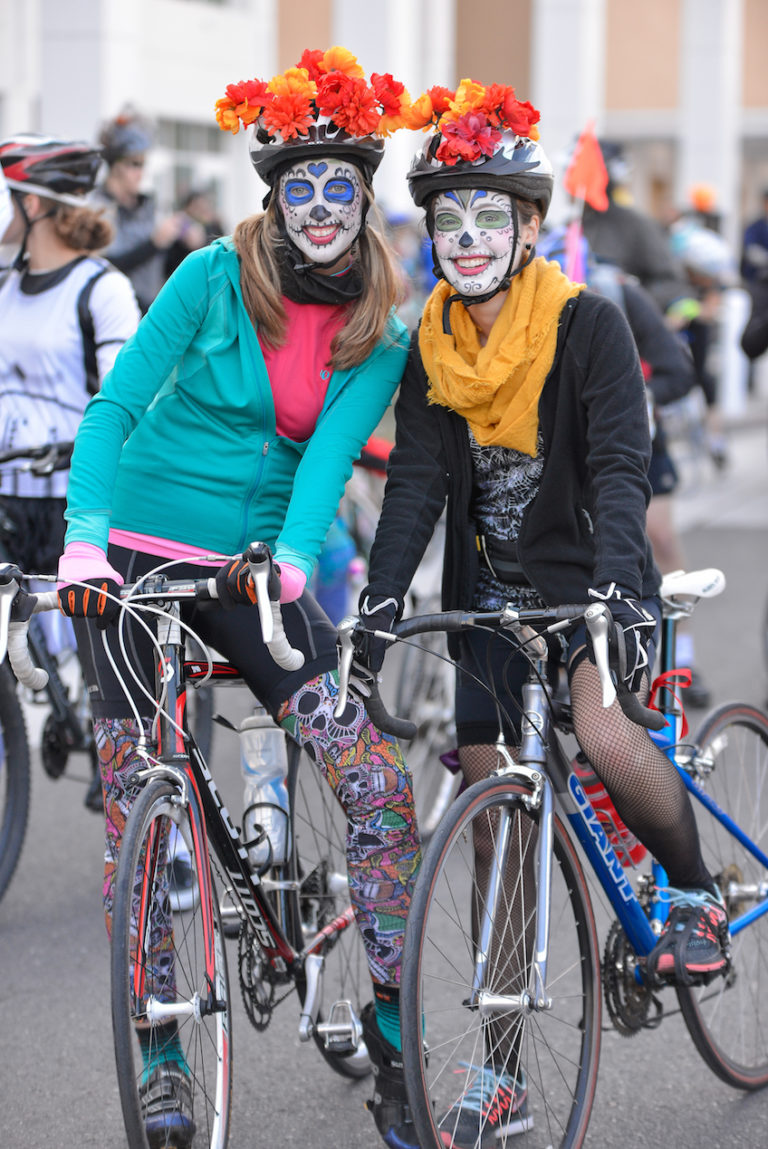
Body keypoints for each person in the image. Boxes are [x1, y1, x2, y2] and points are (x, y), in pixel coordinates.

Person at [353, 80, 731, 1147]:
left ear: (528, 227)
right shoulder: (433, 343)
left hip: (590, 586)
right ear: (428, 234)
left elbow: (623, 470)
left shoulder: (587, 325)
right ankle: (506, 1071)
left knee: (606, 729)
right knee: (493, 836)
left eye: (489, 219)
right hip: (487, 608)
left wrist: (616, 584)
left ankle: (694, 893)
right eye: (446, 221)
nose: (465, 239)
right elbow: (417, 490)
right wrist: (379, 615)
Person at [55, 47, 421, 1149]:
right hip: (126, 562)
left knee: (375, 783)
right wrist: (81, 546)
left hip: (255, 572)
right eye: (299, 188)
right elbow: (115, 409)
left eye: (339, 190)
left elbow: (328, 462)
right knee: (135, 811)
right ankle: (164, 1053)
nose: (319, 208)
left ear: (363, 200)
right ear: (275, 196)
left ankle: (394, 1026)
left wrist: (298, 557)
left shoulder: (378, 327)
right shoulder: (213, 275)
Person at [537, 224, 713, 707]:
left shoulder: (622, 297)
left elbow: (680, 370)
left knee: (655, 538)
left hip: (635, 441)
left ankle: (681, 656)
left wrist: (633, 398)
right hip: (567, 452)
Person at [0, 132, 139, 588]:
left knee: (70, 651)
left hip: (71, 504)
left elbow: (128, 400)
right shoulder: (6, 285)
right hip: (6, 496)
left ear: (33, 206)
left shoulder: (102, 288)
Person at [94, 106, 183, 313]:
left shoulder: (146, 205)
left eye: (143, 164)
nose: (141, 173)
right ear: (115, 165)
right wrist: (154, 243)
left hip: (150, 311)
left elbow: (161, 267)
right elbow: (105, 266)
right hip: (114, 312)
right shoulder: (98, 207)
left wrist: (184, 243)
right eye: (135, 164)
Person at [162, 187, 225, 279]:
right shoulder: (178, 230)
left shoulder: (214, 227)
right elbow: (169, 266)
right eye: (196, 208)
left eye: (203, 208)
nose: (200, 212)